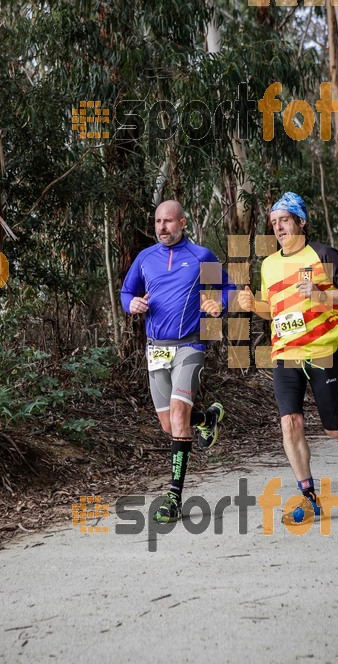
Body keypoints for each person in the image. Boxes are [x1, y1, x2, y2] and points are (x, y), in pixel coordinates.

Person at [238, 191, 338, 523]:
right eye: (274, 222)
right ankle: (309, 496)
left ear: (301, 222)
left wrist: (325, 295)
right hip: (285, 354)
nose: (278, 227)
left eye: (285, 220)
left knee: (334, 429)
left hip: (322, 352)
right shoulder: (269, 264)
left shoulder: (322, 255)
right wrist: (253, 306)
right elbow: (273, 310)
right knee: (289, 422)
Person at [121, 200, 235, 524]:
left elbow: (230, 287)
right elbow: (126, 291)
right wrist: (132, 305)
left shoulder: (200, 256)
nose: (162, 227)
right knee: (170, 425)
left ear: (182, 223)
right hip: (156, 349)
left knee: (178, 414)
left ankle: (173, 496)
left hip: (189, 346)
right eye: (158, 221)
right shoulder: (145, 259)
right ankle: (207, 418)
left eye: (168, 221)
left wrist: (219, 304)